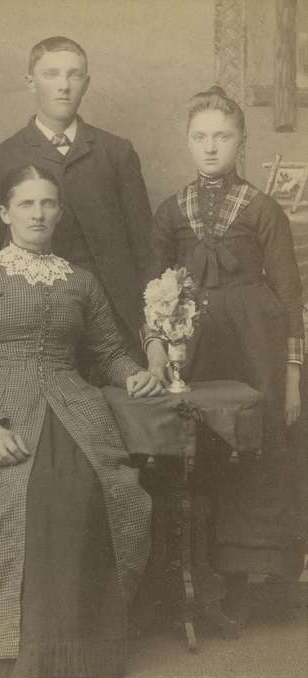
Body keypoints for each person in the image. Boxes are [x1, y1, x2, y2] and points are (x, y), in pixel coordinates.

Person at [0, 164, 160, 678]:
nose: (39, 213)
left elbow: (110, 350)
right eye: (27, 204)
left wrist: (135, 373)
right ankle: (17, 655)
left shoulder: (80, 281)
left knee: (93, 492)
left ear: (60, 212)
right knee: (29, 497)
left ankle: (71, 652)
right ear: (5, 213)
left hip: (74, 408)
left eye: (48, 203)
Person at [145, 85, 306, 612]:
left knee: (259, 445)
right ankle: (202, 567)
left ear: (241, 140)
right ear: (188, 142)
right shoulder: (171, 211)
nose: (210, 147)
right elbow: (154, 289)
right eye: (200, 137)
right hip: (196, 347)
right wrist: (163, 344)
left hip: (255, 348)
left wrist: (292, 375)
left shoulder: (262, 210)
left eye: (222, 136)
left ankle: (262, 575)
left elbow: (288, 295)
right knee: (203, 445)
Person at [0, 36, 153, 360]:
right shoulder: (0, 159)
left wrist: (153, 334)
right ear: (30, 81)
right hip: (32, 327)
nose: (64, 86)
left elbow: (145, 249)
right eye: (51, 74)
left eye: (74, 74)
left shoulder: (116, 153)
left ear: (86, 83)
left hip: (114, 325)